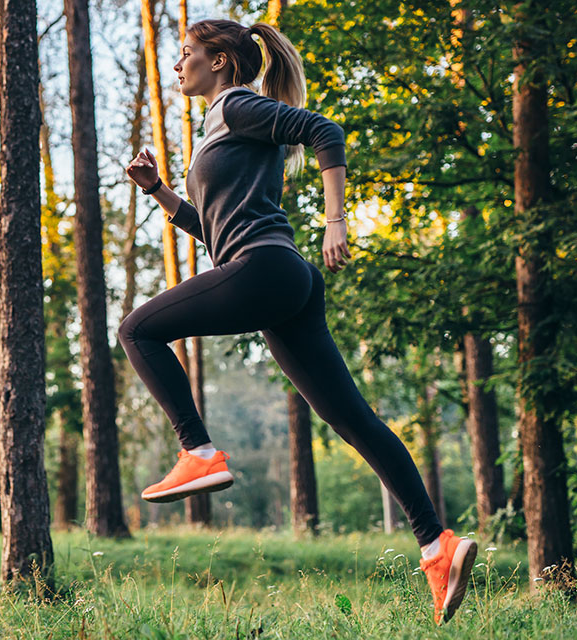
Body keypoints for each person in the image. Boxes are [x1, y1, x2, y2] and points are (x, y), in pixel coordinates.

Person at [121, 18, 476, 625]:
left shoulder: (236, 106)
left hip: (268, 270)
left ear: (222, 62)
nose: (177, 65)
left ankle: (198, 451)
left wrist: (336, 221)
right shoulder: (220, 126)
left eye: (187, 54)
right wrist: (158, 191)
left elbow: (325, 131)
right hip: (281, 279)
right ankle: (437, 545)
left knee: (136, 329)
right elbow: (214, 233)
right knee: (353, 419)